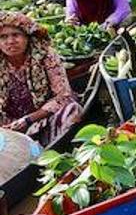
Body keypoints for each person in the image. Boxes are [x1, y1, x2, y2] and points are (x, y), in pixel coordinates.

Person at [0, 11, 80, 146]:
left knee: (72, 110)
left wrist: (28, 120)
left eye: (16, 35)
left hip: (45, 118)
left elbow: (63, 96)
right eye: (3, 37)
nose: (10, 41)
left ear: (27, 37)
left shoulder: (46, 56)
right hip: (11, 126)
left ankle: (56, 147)